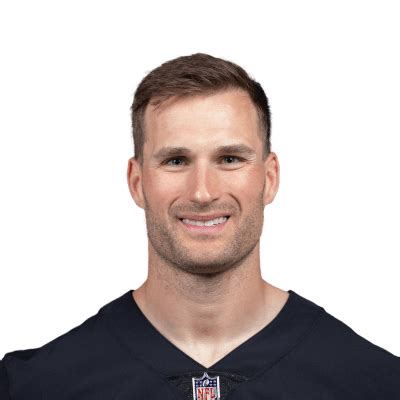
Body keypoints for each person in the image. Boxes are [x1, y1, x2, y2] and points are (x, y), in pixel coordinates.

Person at [1, 53, 399, 400]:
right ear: (137, 182)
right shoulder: (33, 387)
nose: (203, 192)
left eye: (229, 159)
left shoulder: (377, 384)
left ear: (269, 177)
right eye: (176, 161)